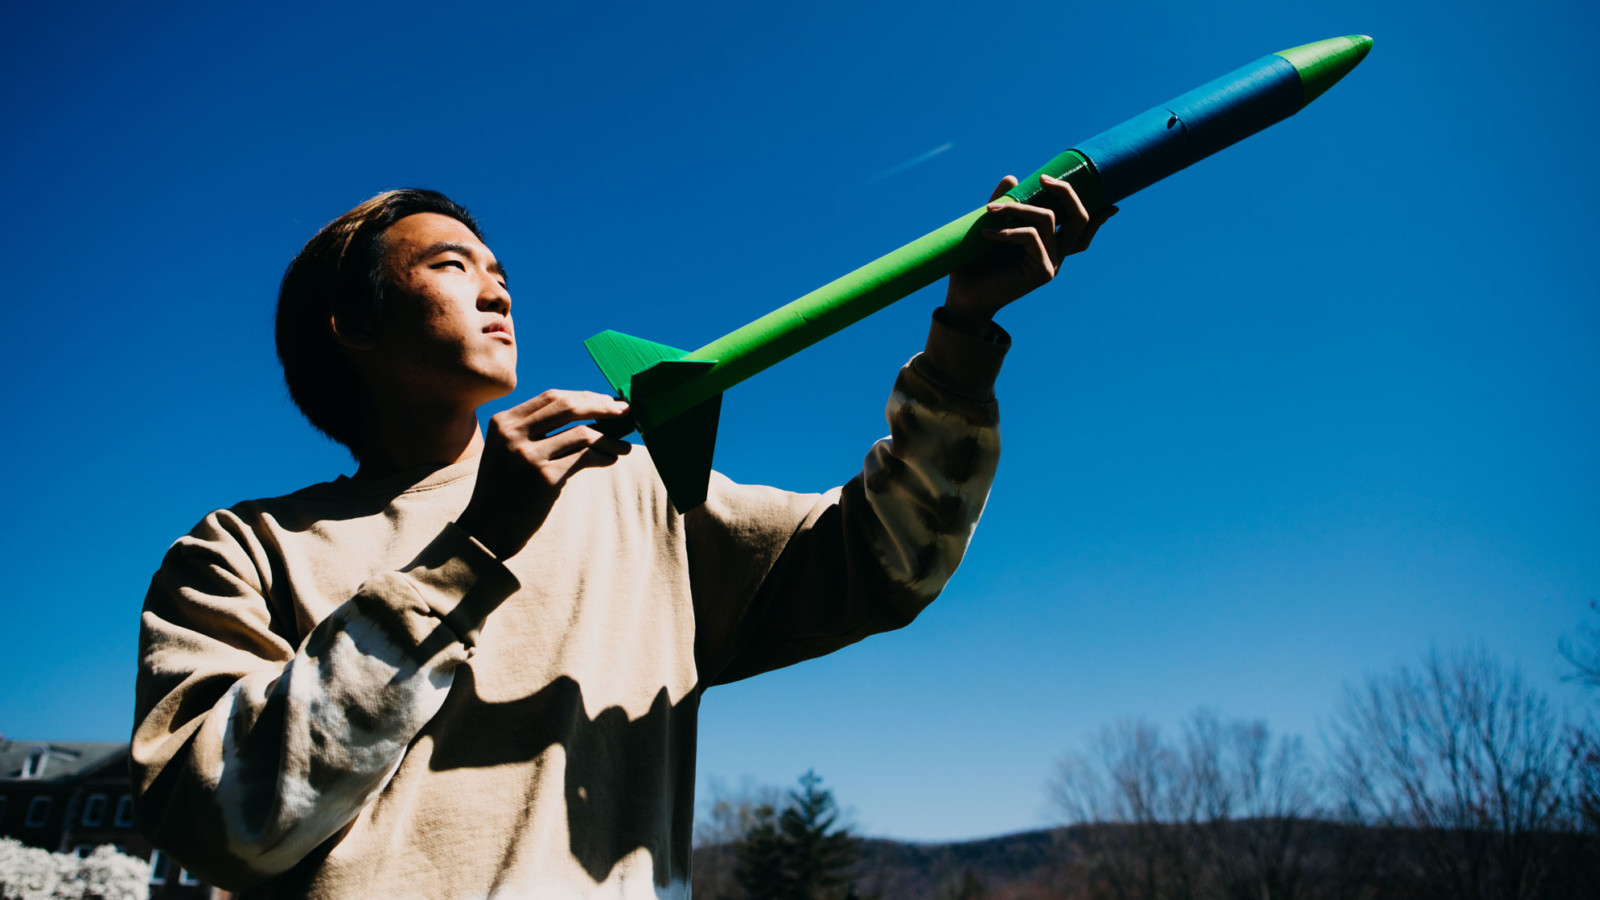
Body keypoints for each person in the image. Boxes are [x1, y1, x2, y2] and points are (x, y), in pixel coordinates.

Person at [131, 175, 1114, 898]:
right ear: (352, 327)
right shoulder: (241, 552)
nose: (498, 292)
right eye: (450, 267)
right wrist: (471, 555)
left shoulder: (629, 494)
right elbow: (226, 824)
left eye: (501, 272)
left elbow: (887, 559)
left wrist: (962, 340)